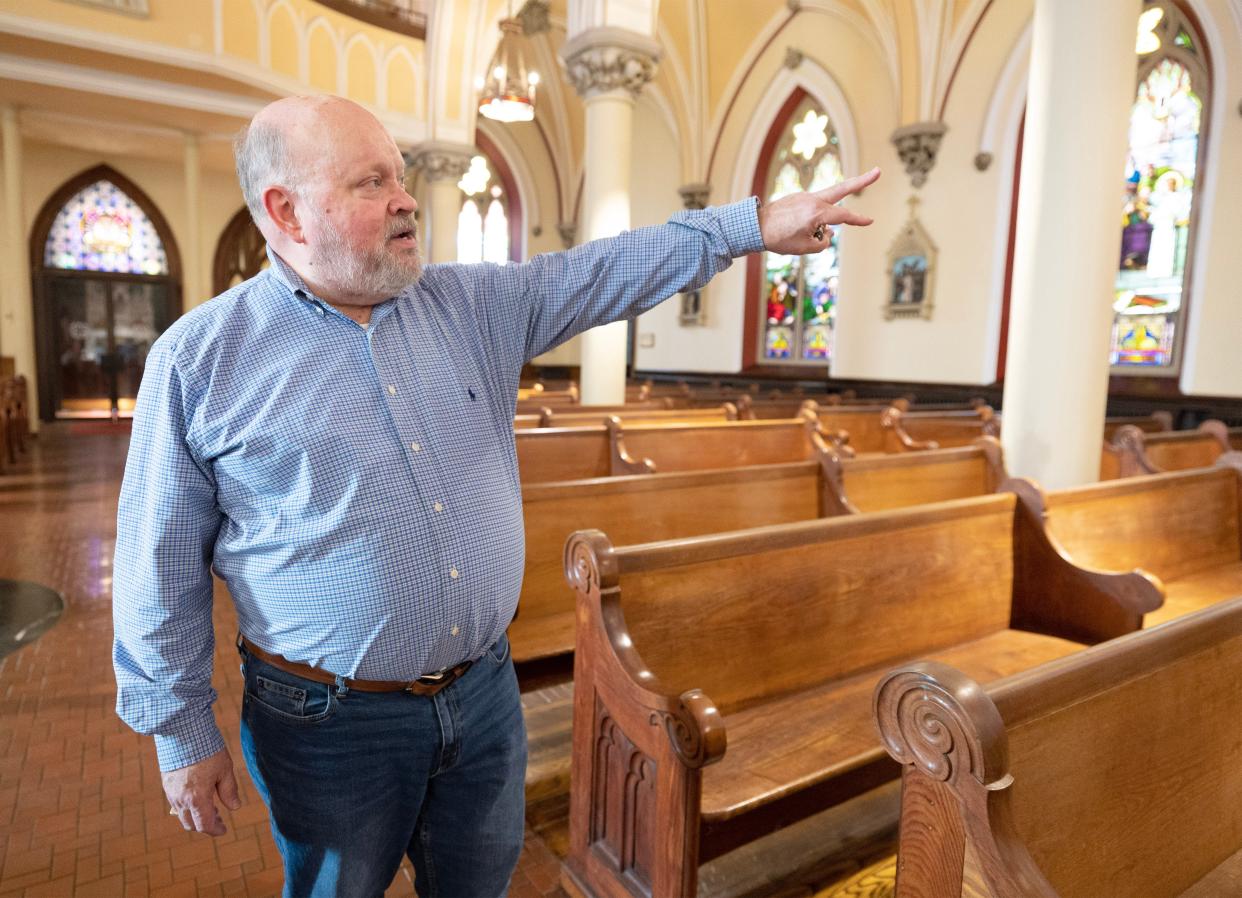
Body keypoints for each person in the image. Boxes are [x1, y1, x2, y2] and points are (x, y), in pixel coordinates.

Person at [111, 94, 879, 898]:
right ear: (287, 211)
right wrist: (181, 732)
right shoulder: (200, 361)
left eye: (401, 178)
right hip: (329, 723)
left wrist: (750, 226)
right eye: (373, 183)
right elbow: (157, 564)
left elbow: (605, 269)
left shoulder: (469, 306)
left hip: (481, 697)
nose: (407, 199)